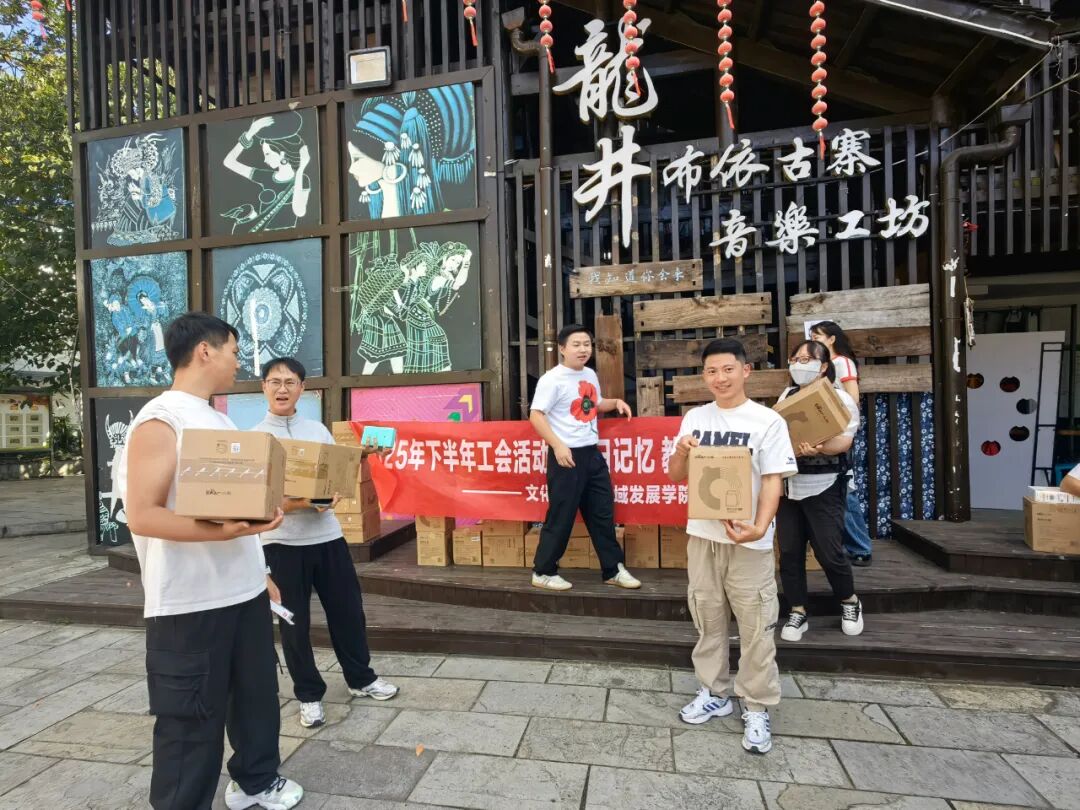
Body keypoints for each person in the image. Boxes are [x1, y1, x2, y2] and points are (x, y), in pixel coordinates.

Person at [118, 312, 303, 810]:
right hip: (189, 603)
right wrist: (222, 533)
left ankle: (256, 780)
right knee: (190, 723)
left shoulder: (218, 420)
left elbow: (235, 510)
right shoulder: (161, 419)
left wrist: (260, 572)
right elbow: (143, 514)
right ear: (205, 350)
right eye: (234, 352)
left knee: (255, 699)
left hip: (244, 592)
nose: (238, 362)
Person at [667, 337, 798, 755]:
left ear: (746, 371)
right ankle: (715, 691)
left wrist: (760, 527)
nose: (719, 378)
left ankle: (756, 704)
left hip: (748, 541)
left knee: (756, 625)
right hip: (703, 536)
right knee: (707, 617)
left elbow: (774, 479)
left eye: (727, 369)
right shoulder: (694, 418)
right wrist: (681, 451)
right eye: (711, 371)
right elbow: (675, 474)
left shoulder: (767, 421)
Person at [253, 357, 399, 730]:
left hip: (328, 539)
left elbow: (335, 477)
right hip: (281, 544)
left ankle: (361, 678)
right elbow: (259, 502)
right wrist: (303, 502)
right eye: (274, 382)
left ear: (303, 388)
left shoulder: (317, 430)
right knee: (294, 624)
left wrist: (340, 486)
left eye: (290, 382)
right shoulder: (257, 439)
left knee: (348, 612)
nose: (282, 389)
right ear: (263, 387)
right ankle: (308, 695)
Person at [529, 324, 641, 591]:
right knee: (562, 515)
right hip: (566, 456)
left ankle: (613, 569)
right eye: (576, 344)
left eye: (587, 344)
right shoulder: (552, 379)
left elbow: (594, 403)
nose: (583, 349)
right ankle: (543, 571)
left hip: (591, 453)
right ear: (562, 349)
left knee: (602, 513)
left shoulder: (589, 374)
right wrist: (558, 446)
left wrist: (614, 403)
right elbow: (536, 415)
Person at [776, 340, 865, 643]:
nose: (799, 365)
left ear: (824, 366)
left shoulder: (840, 399)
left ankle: (849, 601)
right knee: (789, 552)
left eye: (807, 360)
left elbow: (844, 442)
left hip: (824, 485)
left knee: (829, 551)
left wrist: (820, 447)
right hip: (789, 486)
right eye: (795, 359)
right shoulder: (787, 395)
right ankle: (797, 610)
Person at [810, 321, 874, 566]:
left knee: (846, 489)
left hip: (838, 430)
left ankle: (861, 547)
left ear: (832, 339)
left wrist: (838, 424)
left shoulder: (842, 362)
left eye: (818, 336)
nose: (814, 340)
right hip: (823, 431)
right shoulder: (820, 364)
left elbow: (853, 398)